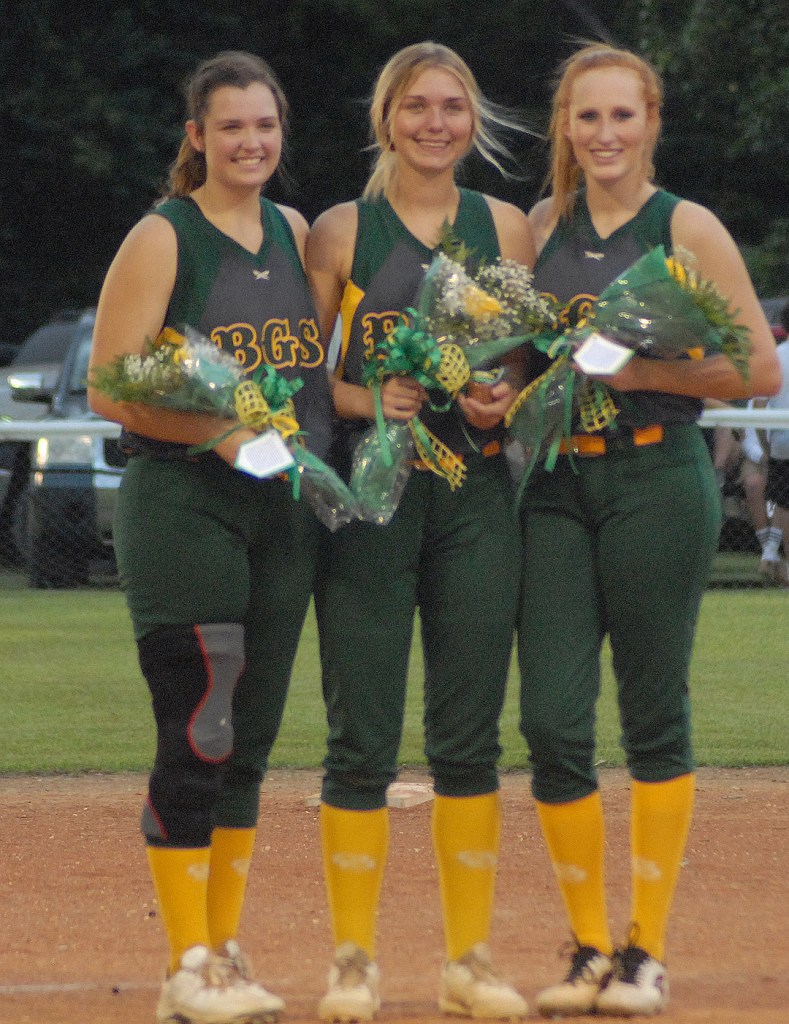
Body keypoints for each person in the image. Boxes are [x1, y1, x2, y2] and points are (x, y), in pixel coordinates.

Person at [516, 43, 780, 1018]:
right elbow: (518, 353)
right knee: (549, 717)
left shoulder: (687, 227)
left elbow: (755, 369)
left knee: (653, 711)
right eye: (587, 117)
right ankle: (586, 943)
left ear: (653, 121)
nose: (605, 134)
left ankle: (645, 952)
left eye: (622, 116)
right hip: (551, 486)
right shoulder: (539, 227)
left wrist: (638, 375)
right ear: (566, 127)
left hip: (656, 477)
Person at [88, 51, 332, 1024]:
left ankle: (222, 952)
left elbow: (307, 379)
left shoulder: (296, 229)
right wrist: (220, 431)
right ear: (197, 136)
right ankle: (184, 962)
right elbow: (112, 382)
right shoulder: (163, 236)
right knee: (202, 726)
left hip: (279, 510)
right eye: (231, 126)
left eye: (264, 126)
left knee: (254, 737)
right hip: (184, 499)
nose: (250, 142)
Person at [306, 41, 534, 1021]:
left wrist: (496, 400)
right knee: (361, 733)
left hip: (475, 495)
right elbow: (307, 386)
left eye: (452, 107)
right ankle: (352, 963)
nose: (435, 123)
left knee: (470, 734)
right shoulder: (339, 229)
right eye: (416, 107)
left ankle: (467, 960)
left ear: (471, 120)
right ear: (386, 117)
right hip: (370, 493)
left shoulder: (507, 225)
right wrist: (375, 392)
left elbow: (518, 372)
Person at [761, 302, 789, 585]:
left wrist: (764, 443)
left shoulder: (774, 358)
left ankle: (775, 556)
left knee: (783, 503)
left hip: (782, 443)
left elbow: (758, 405)